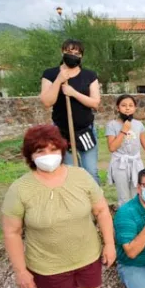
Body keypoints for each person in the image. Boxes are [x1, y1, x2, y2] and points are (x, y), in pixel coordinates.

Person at [1, 125, 116, 288]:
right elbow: (12, 232)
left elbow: (102, 210)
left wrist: (109, 244)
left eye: (53, 149)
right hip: (48, 261)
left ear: (62, 150)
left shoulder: (81, 176)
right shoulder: (20, 188)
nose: (48, 156)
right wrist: (21, 270)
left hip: (86, 253)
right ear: (30, 156)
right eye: (40, 151)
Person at [39, 39, 101, 184]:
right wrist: (59, 80)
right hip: (61, 133)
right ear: (62, 52)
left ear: (81, 56)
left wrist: (73, 93)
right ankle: (77, 204)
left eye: (77, 53)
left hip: (85, 130)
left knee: (91, 171)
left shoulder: (89, 75)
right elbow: (47, 102)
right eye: (69, 52)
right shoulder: (50, 74)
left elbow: (95, 103)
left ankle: (96, 205)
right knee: (70, 173)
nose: (73, 55)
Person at [106, 94, 145, 206]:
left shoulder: (138, 125)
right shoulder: (112, 125)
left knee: (137, 192)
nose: (127, 108)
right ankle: (125, 218)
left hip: (136, 163)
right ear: (118, 108)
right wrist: (123, 130)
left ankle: (138, 217)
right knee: (123, 196)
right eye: (123, 105)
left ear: (134, 108)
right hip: (120, 164)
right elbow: (112, 147)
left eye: (130, 105)